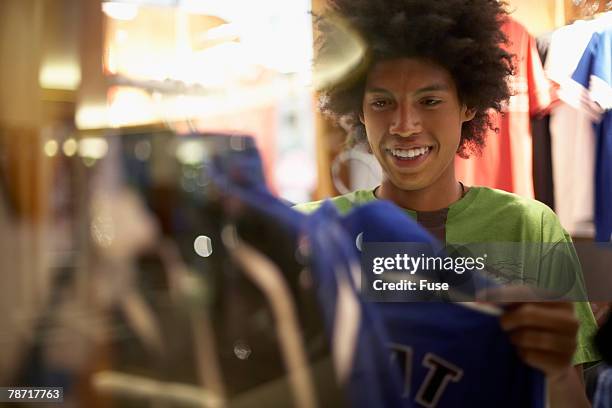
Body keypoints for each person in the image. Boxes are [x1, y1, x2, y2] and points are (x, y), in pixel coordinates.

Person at [296, 0, 600, 406]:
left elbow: (571, 397)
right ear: (360, 111)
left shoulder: (529, 229)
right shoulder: (316, 234)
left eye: (430, 101)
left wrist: (557, 366)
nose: (405, 126)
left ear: (468, 104)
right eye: (383, 103)